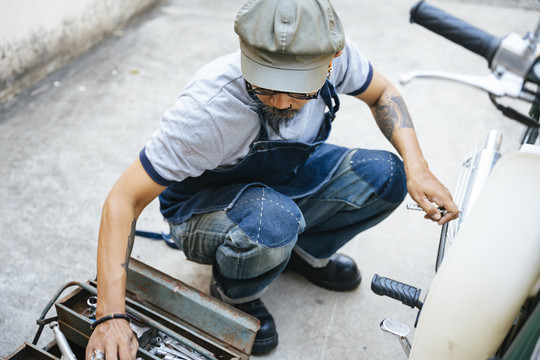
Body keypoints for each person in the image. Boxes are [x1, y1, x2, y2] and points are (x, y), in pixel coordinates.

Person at [85, 0, 459, 358]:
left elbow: (382, 93)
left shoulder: (333, 54)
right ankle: (234, 292)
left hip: (283, 178)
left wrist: (418, 168)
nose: (280, 102)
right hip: (202, 208)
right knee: (272, 220)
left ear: (332, 62)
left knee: (387, 175)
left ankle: (303, 253)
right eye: (263, 85)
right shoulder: (208, 111)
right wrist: (110, 316)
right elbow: (123, 199)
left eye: (298, 89)